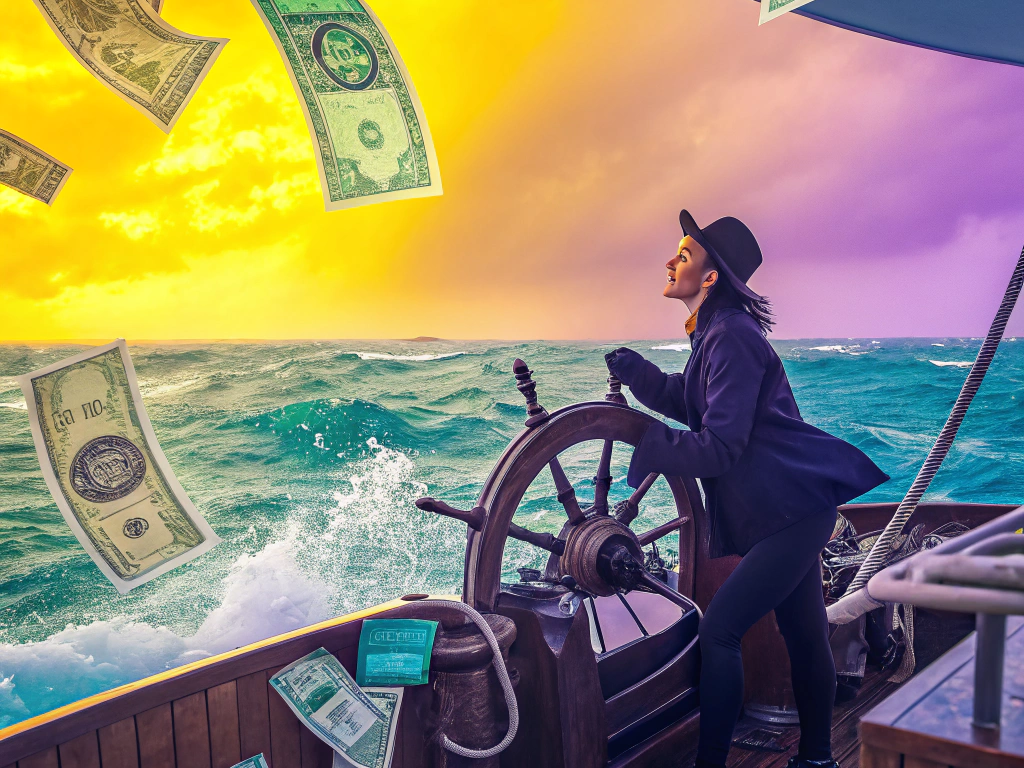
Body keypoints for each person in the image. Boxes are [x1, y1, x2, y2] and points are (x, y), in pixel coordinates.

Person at [604, 210, 889, 768]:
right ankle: (817, 758)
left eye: (683, 256)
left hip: (792, 512)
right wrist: (639, 375)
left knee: (720, 633)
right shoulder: (715, 331)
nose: (670, 261)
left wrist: (656, 447)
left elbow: (719, 446)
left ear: (709, 278)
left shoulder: (731, 334)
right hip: (791, 508)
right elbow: (691, 401)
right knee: (804, 633)